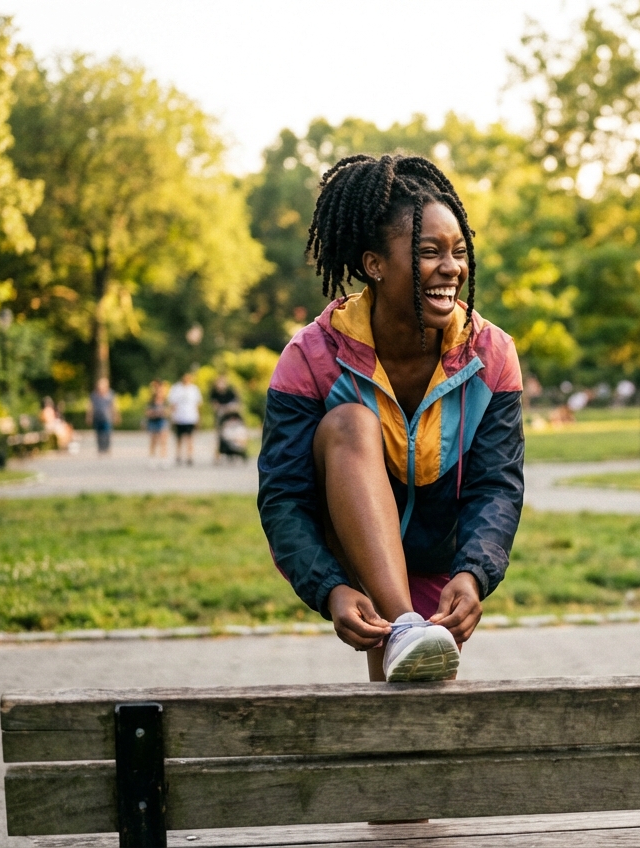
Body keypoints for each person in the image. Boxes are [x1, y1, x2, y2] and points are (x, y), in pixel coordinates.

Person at [257, 154, 524, 683]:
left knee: (417, 703)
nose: (451, 267)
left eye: (458, 252)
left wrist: (473, 575)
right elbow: (283, 495)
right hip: (352, 548)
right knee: (351, 423)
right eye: (429, 252)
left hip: (440, 555)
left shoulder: (489, 355)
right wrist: (329, 586)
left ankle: (408, 633)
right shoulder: (313, 355)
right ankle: (404, 624)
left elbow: (497, 486)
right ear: (375, 263)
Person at [168, 372, 203, 465]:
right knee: (179, 438)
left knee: (190, 438)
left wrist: (198, 418)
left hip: (190, 417)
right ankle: (178, 456)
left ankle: (189, 456)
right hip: (179, 417)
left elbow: (197, 405)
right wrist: (172, 417)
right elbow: (173, 404)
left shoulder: (194, 389)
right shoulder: (176, 388)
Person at [209, 374, 242, 464]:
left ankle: (233, 453)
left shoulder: (230, 392)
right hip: (220, 417)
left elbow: (236, 403)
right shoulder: (214, 392)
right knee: (219, 437)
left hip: (230, 417)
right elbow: (214, 405)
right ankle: (218, 456)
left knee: (231, 435)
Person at [86, 378, 120, 456]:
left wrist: (116, 416)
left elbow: (114, 406)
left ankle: (106, 448)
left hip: (107, 417)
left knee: (107, 433)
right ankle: (100, 448)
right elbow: (90, 407)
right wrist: (89, 417)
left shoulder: (110, 394)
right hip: (97, 417)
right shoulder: (94, 395)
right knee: (98, 433)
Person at [144, 381, 170, 462]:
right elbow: (147, 412)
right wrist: (155, 413)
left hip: (162, 421)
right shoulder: (151, 401)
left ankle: (163, 458)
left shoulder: (165, 401)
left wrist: (163, 412)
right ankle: (152, 458)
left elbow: (168, 412)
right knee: (153, 440)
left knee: (163, 440)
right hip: (153, 421)